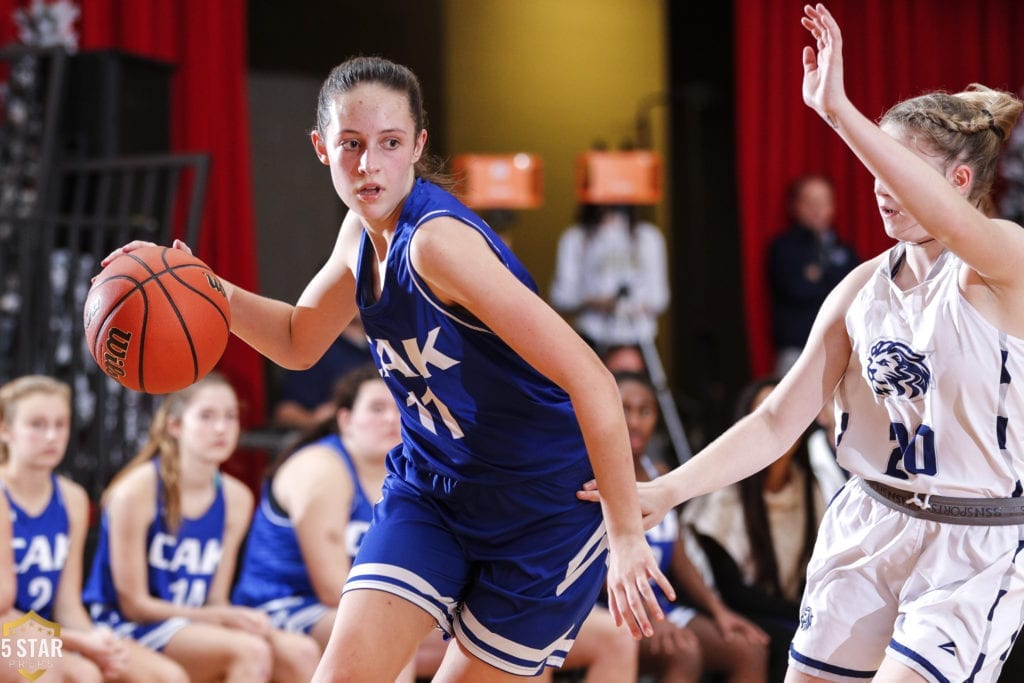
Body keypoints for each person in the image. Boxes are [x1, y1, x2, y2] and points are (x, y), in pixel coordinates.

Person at [103, 55, 668, 683]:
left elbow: (592, 378)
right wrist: (208, 291)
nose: (368, 164)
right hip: (433, 488)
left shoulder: (436, 244)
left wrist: (623, 536)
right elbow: (297, 340)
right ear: (321, 147)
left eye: (389, 143)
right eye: (351, 144)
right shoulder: (357, 232)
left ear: (417, 146)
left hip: (539, 507)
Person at [583, 5, 1024, 681]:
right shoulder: (860, 287)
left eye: (900, 166)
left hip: (974, 541)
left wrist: (838, 112)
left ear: (959, 182)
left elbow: (952, 224)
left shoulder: (1004, 262)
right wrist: (667, 489)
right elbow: (774, 420)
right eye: (876, 162)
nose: (879, 183)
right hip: (871, 520)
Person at [82, 373, 320, 683]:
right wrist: (219, 617)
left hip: (193, 622)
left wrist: (233, 617)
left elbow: (215, 598)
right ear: (175, 426)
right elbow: (135, 605)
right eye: (207, 417)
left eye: (230, 417)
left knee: (299, 651)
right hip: (128, 625)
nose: (221, 428)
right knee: (248, 651)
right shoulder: (136, 491)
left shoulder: (238, 497)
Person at [0, 375, 187, 683]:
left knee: (168, 676)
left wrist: (97, 642)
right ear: (5, 430)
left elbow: (67, 604)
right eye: (37, 425)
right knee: (70, 674)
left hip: (48, 631)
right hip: (10, 630)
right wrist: (77, 643)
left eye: (60, 425)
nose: (51, 436)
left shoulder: (72, 498)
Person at [232, 364, 406, 666]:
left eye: (399, 407)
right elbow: (331, 587)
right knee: (386, 636)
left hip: (344, 611)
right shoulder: (323, 468)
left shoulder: (403, 478)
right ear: (346, 420)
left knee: (478, 640)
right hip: (280, 607)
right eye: (377, 409)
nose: (391, 419)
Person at [680, 376, 840, 682]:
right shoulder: (725, 492)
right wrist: (802, 616)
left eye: (788, 413)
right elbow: (730, 591)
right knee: (789, 644)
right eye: (766, 414)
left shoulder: (811, 486)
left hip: (789, 610)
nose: (780, 425)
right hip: (728, 611)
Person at [617, 370, 770, 682]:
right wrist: (650, 617)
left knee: (749, 649)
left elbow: (679, 556)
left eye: (644, 411)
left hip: (661, 608)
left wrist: (719, 611)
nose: (635, 421)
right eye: (624, 410)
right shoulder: (599, 477)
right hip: (612, 609)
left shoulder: (659, 473)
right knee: (682, 652)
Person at [766, 173, 858, 375]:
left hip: (840, 350)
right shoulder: (784, 247)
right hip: (797, 349)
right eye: (810, 202)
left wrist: (818, 275)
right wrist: (832, 280)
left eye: (824, 202)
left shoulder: (844, 249)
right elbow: (798, 289)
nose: (817, 210)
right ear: (795, 206)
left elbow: (853, 293)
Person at [549, 203, 670, 352]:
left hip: (640, 337)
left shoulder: (648, 237)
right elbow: (562, 297)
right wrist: (598, 302)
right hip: (592, 336)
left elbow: (659, 299)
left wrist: (631, 306)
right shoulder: (576, 238)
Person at [272, 318, 373, 431]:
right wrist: (314, 419)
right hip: (336, 435)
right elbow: (285, 412)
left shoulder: (385, 342)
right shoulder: (316, 347)